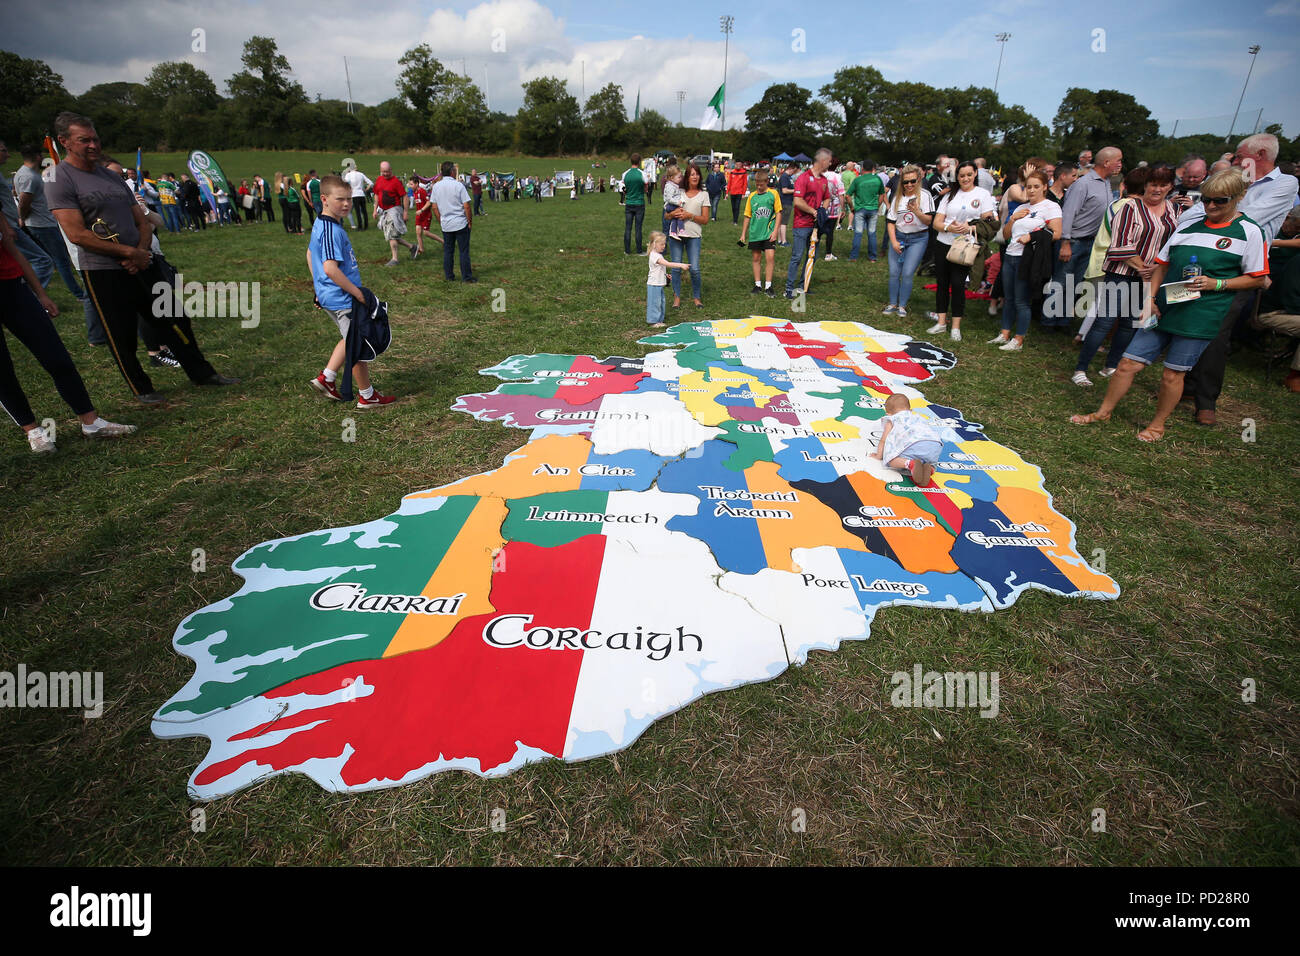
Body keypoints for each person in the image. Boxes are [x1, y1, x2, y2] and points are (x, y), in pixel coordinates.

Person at [45, 112, 237, 403]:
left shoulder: (112, 176)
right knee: (121, 333)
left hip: (143, 263)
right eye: (84, 140)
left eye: (95, 138)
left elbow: (142, 219)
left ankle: (202, 373)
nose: (93, 145)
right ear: (65, 142)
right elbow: (77, 234)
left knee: (174, 318)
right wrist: (127, 253)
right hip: (102, 270)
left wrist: (141, 253)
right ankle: (142, 389)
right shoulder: (59, 178)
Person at [1070, 168, 1267, 441]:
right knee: (1127, 363)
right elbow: (1162, 265)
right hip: (1167, 303)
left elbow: (1258, 279)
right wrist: (1150, 299)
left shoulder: (1249, 232)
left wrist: (1218, 284)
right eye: (1207, 199)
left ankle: (1157, 425)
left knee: (1172, 374)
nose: (1210, 206)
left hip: (1202, 313)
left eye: (1219, 201)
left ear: (1237, 198)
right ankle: (1103, 412)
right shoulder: (1188, 224)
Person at [1180, 133, 1299, 424]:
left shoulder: (1285, 184)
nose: (1233, 160)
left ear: (1259, 155)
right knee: (1189, 318)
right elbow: (1192, 215)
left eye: (1238, 155)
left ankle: (1206, 400)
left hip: (1241, 266)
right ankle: (1186, 386)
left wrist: (1216, 211)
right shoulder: (1234, 179)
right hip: (1203, 257)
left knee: (1218, 330)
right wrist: (1217, 207)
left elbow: (1247, 216)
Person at [0, 216, 135, 453]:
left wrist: (40, 293)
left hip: (12, 288)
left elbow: (13, 250)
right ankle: (33, 431)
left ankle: (90, 422)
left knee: (55, 355)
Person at [1072, 166, 1176, 386]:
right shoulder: (1130, 207)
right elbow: (1119, 245)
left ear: (1171, 187)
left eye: (1163, 185)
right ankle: (1081, 368)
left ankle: (1111, 364)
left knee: (1130, 324)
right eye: (1153, 184)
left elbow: (1173, 243)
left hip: (1150, 277)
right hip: (1121, 273)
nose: (1157, 189)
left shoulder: (1174, 210)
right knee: (1104, 321)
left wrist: (1155, 269)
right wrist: (1142, 266)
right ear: (1145, 185)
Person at [306, 175, 395, 409]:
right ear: (324, 199)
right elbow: (330, 268)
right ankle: (367, 395)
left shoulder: (324, 223)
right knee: (357, 344)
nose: (346, 204)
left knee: (349, 337)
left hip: (331, 295)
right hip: (342, 298)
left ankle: (327, 377)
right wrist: (357, 293)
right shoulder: (331, 230)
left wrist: (318, 287)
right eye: (340, 199)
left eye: (349, 199)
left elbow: (309, 253)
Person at [988, 170, 1061, 351]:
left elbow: (1056, 233)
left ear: (1045, 187)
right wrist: (1012, 219)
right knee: (1009, 297)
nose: (1032, 190)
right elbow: (1005, 235)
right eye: (1028, 187)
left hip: (1028, 259)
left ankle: (1018, 339)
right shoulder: (1021, 208)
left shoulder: (1051, 207)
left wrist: (1032, 236)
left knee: (1022, 300)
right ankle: (1004, 333)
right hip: (1011, 255)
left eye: (1036, 186)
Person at [1053, 147, 1124, 331]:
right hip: (1074, 241)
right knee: (1061, 282)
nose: (1120, 164)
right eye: (1118, 160)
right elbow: (1068, 213)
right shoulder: (1083, 184)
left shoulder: (1106, 183)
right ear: (1106, 162)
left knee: (1075, 284)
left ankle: (1063, 321)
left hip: (1090, 242)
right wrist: (1065, 243)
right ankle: (1049, 322)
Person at [928, 161, 996, 341]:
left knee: (958, 284)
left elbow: (989, 221)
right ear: (957, 177)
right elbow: (937, 222)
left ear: (975, 174)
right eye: (962, 175)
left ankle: (956, 326)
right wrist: (949, 228)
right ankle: (941, 322)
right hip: (944, 242)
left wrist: (970, 227)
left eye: (969, 174)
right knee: (942, 283)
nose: (965, 178)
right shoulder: (950, 195)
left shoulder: (983, 195)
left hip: (965, 246)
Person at [882, 164, 934, 317]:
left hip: (918, 238)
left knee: (907, 272)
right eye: (906, 182)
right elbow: (890, 221)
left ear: (919, 180)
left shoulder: (925, 196)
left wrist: (916, 211)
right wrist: (893, 242)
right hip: (899, 237)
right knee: (893, 272)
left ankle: (902, 305)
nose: (909, 185)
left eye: (913, 181)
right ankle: (892, 303)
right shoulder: (898, 197)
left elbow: (928, 221)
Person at [784, 149, 833, 299]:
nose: (830, 164)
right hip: (801, 224)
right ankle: (789, 289)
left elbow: (827, 198)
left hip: (816, 226)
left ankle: (803, 285)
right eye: (829, 161)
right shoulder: (803, 178)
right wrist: (813, 211)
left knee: (812, 256)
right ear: (822, 161)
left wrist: (821, 211)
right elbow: (798, 201)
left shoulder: (824, 180)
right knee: (797, 256)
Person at [871, 392, 941, 487]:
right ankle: (930, 469)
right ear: (910, 410)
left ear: (888, 414)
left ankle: (910, 464)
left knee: (891, 460)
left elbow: (883, 440)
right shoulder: (917, 417)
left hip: (914, 444)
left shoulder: (892, 419)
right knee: (928, 460)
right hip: (934, 445)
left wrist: (879, 456)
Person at [667, 163, 710, 309]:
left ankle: (697, 298)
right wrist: (672, 214)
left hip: (694, 236)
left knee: (695, 269)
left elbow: (705, 220)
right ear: (687, 176)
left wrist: (690, 215)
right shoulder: (678, 191)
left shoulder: (704, 194)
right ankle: (677, 298)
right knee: (676, 268)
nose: (695, 176)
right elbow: (667, 215)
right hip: (676, 236)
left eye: (697, 173)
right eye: (692, 174)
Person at [430, 160, 474, 282]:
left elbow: (434, 206)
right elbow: (466, 206)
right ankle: (467, 277)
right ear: (452, 172)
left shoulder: (436, 186)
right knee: (463, 251)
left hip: (446, 224)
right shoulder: (458, 185)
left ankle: (449, 276)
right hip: (460, 223)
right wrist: (469, 221)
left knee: (448, 252)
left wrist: (441, 220)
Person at [739, 168, 781, 297]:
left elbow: (779, 213)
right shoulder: (752, 196)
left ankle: (768, 285)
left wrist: (775, 232)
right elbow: (747, 216)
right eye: (757, 184)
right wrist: (743, 234)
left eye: (761, 184)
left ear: (767, 181)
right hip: (755, 233)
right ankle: (758, 284)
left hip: (768, 233)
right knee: (756, 258)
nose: (759, 186)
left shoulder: (773, 194)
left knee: (770, 257)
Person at [372, 161, 414, 266]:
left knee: (391, 235)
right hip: (384, 211)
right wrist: (375, 209)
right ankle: (412, 247)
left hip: (394, 210)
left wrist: (405, 212)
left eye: (387, 171)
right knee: (391, 234)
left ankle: (395, 259)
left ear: (391, 170)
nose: (385, 174)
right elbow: (376, 194)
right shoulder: (379, 179)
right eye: (383, 172)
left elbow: (404, 196)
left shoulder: (396, 182)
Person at [644, 231, 689, 327]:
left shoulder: (658, 254)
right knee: (655, 302)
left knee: (661, 302)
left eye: (664, 244)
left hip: (659, 283)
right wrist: (681, 265)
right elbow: (667, 264)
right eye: (662, 244)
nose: (664, 246)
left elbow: (660, 268)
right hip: (654, 284)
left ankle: (659, 320)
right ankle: (653, 321)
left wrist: (665, 275)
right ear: (654, 244)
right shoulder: (654, 255)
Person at [847, 159, 885, 262]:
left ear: (862, 168)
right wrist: (878, 204)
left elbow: (847, 195)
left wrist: (852, 207)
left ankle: (853, 257)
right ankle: (872, 257)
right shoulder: (877, 179)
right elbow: (882, 193)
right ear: (873, 169)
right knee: (872, 233)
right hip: (873, 209)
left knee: (858, 233)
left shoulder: (858, 180)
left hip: (860, 209)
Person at [622, 153, 646, 255]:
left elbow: (623, 189)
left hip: (629, 203)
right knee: (638, 228)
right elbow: (645, 189)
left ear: (631, 161)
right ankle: (639, 250)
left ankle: (627, 250)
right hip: (639, 203)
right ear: (639, 162)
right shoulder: (642, 174)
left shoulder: (625, 174)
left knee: (628, 227)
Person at [343, 164, 372, 230]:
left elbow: (345, 182)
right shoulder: (361, 174)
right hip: (362, 194)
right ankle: (366, 226)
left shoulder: (348, 175)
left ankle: (360, 226)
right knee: (364, 211)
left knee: (357, 211)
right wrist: (366, 189)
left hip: (354, 194)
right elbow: (371, 183)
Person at [776, 163, 795, 245]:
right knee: (784, 222)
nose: (794, 172)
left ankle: (780, 240)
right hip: (785, 201)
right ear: (791, 168)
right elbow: (784, 190)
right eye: (793, 170)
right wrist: (796, 190)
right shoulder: (784, 177)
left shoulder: (788, 177)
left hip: (787, 201)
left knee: (781, 222)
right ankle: (783, 241)